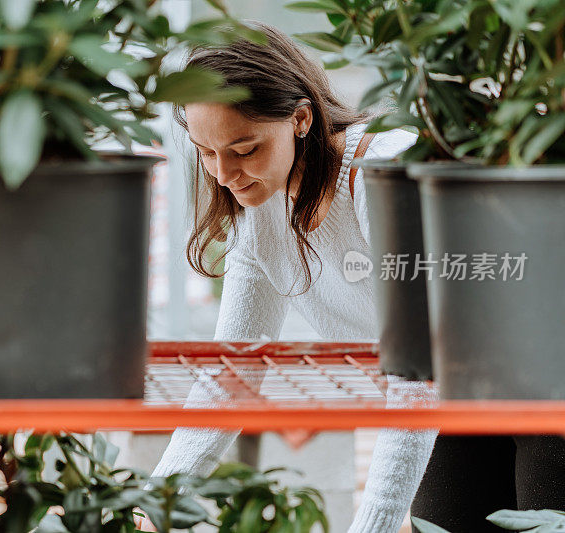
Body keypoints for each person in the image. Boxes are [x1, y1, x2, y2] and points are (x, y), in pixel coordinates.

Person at [134, 21, 437, 532]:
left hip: (533, 389)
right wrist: (150, 508)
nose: (224, 176)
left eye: (244, 149)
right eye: (206, 153)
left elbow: (416, 370)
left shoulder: (381, 171)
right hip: (451, 411)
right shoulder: (261, 214)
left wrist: (373, 525)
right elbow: (231, 373)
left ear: (300, 118)